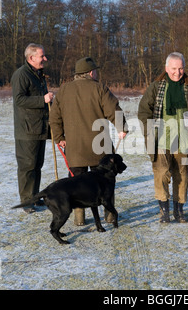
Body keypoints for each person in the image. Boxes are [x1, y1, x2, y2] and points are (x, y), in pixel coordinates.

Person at [49, 57, 128, 226]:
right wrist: (122, 127)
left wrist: (59, 137)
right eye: (96, 70)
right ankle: (110, 216)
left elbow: (54, 116)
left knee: (76, 184)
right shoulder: (99, 88)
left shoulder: (63, 90)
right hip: (100, 147)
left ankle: (79, 219)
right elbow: (113, 109)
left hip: (75, 148)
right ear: (91, 72)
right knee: (106, 181)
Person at [138, 52, 188, 223]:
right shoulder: (156, 87)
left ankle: (179, 210)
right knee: (161, 174)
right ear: (166, 68)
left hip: (183, 140)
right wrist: (151, 130)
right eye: (174, 69)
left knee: (182, 175)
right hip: (160, 140)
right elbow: (143, 111)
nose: (177, 72)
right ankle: (164, 211)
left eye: (181, 68)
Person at [11, 43, 54, 213]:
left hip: (39, 128)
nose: (45, 59)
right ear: (31, 58)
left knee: (37, 165)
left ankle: (35, 198)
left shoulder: (38, 74)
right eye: (42, 56)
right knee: (27, 167)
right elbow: (19, 99)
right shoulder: (21, 75)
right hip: (27, 130)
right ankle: (26, 202)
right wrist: (42, 100)